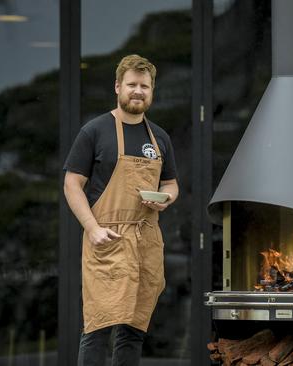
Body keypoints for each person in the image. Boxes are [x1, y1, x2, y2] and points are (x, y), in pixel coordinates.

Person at [63, 54, 179, 366]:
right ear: (118, 87)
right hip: (108, 238)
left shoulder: (159, 138)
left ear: (152, 90)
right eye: (132, 84)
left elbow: (171, 185)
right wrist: (92, 228)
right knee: (98, 327)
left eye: (145, 85)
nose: (138, 91)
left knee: (134, 328)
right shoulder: (95, 131)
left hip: (146, 240)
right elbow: (72, 184)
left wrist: (165, 199)